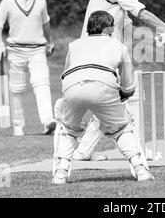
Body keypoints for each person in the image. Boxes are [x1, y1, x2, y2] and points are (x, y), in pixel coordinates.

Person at [68, 0, 165, 161]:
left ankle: (83, 152)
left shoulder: (117, 2)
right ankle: (137, 151)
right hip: (100, 55)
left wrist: (159, 37)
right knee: (130, 97)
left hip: (101, 56)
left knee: (108, 101)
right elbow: (142, 13)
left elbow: (132, 30)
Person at [52, 11, 154, 184]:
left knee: (68, 129)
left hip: (72, 86)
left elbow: (66, 73)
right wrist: (122, 95)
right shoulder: (118, 46)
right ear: (109, 28)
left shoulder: (74, 45)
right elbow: (128, 85)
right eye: (113, 26)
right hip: (103, 85)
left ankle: (60, 173)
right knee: (121, 128)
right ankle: (140, 169)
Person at [0, 0, 56, 136]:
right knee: (17, 88)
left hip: (37, 50)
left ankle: (47, 121)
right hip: (16, 50)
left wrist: (50, 42)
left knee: (42, 83)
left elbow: (46, 23)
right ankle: (18, 125)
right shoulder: (8, 1)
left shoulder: (41, 0)